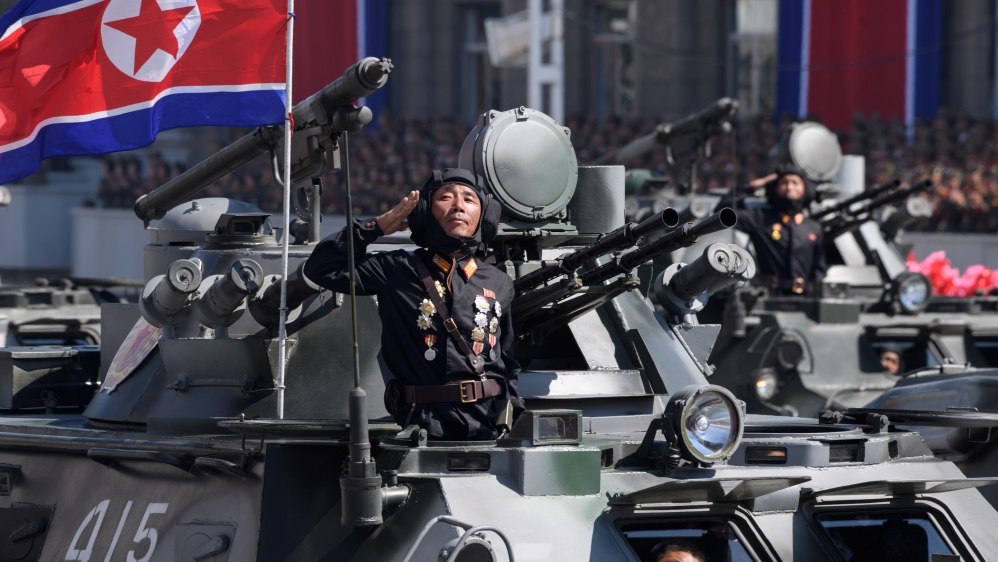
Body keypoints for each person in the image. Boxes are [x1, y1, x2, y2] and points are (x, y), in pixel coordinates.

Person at [304, 168, 523, 441]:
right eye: (446, 197)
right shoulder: (396, 269)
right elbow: (321, 267)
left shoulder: (499, 281)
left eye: (469, 199)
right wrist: (378, 227)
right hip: (422, 425)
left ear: (484, 215)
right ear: (425, 212)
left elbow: (507, 359)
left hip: (487, 426)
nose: (458, 205)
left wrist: (511, 415)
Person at [722, 164, 827, 295]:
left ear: (806, 188)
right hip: (768, 296)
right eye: (784, 182)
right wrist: (756, 185)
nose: (789, 187)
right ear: (774, 187)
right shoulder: (760, 218)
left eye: (795, 183)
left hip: (805, 300)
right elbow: (724, 213)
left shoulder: (813, 228)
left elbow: (819, 269)